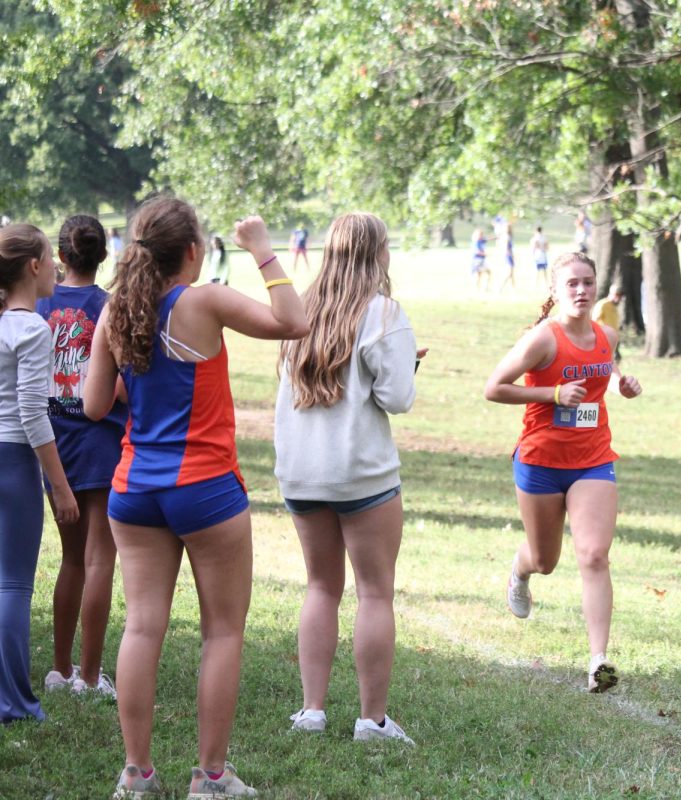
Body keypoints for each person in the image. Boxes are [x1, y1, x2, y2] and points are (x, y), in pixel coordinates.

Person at [84, 197, 307, 798]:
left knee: (141, 628)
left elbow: (93, 406)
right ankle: (209, 776)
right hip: (204, 489)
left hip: (134, 491)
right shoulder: (202, 299)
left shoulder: (116, 311)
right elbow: (294, 320)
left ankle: (136, 774)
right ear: (191, 251)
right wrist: (262, 249)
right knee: (223, 632)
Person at [276, 212, 421, 743]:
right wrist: (409, 364)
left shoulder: (299, 309)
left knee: (320, 586)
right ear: (377, 252)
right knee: (375, 593)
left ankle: (312, 710)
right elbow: (397, 397)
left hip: (302, 472)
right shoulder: (383, 312)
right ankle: (371, 720)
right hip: (361, 474)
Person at [483, 252, 642, 692]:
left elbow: (603, 374)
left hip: (593, 459)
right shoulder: (542, 339)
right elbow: (493, 387)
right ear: (555, 289)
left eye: (588, 283)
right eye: (571, 283)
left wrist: (621, 385)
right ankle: (520, 570)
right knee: (546, 560)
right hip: (540, 462)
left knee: (593, 554)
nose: (581, 291)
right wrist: (552, 394)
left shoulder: (606, 334)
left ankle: (599, 662)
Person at [35, 215, 126, 699]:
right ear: (101, 255)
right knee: (99, 561)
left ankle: (59, 667)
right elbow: (128, 384)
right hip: (101, 444)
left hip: (54, 445)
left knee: (71, 560)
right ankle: (90, 677)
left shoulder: (38, 304)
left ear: (60, 255)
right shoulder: (109, 308)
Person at [0, 223, 80, 725]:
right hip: (12, 464)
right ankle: (12, 703)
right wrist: (60, 486)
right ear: (33, 266)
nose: (56, 265)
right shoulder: (32, 328)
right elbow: (33, 415)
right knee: (12, 586)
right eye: (51, 257)